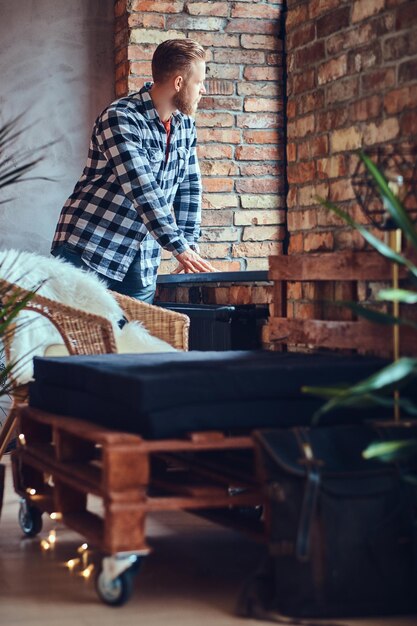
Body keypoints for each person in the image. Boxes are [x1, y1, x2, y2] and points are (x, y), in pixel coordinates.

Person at [52, 38, 215, 304]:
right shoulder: (120, 118)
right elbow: (142, 189)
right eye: (199, 82)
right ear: (178, 83)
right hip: (90, 250)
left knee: (136, 344)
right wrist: (179, 248)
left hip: (141, 261)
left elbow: (189, 188)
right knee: (79, 344)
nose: (203, 90)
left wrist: (189, 244)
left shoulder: (185, 126)